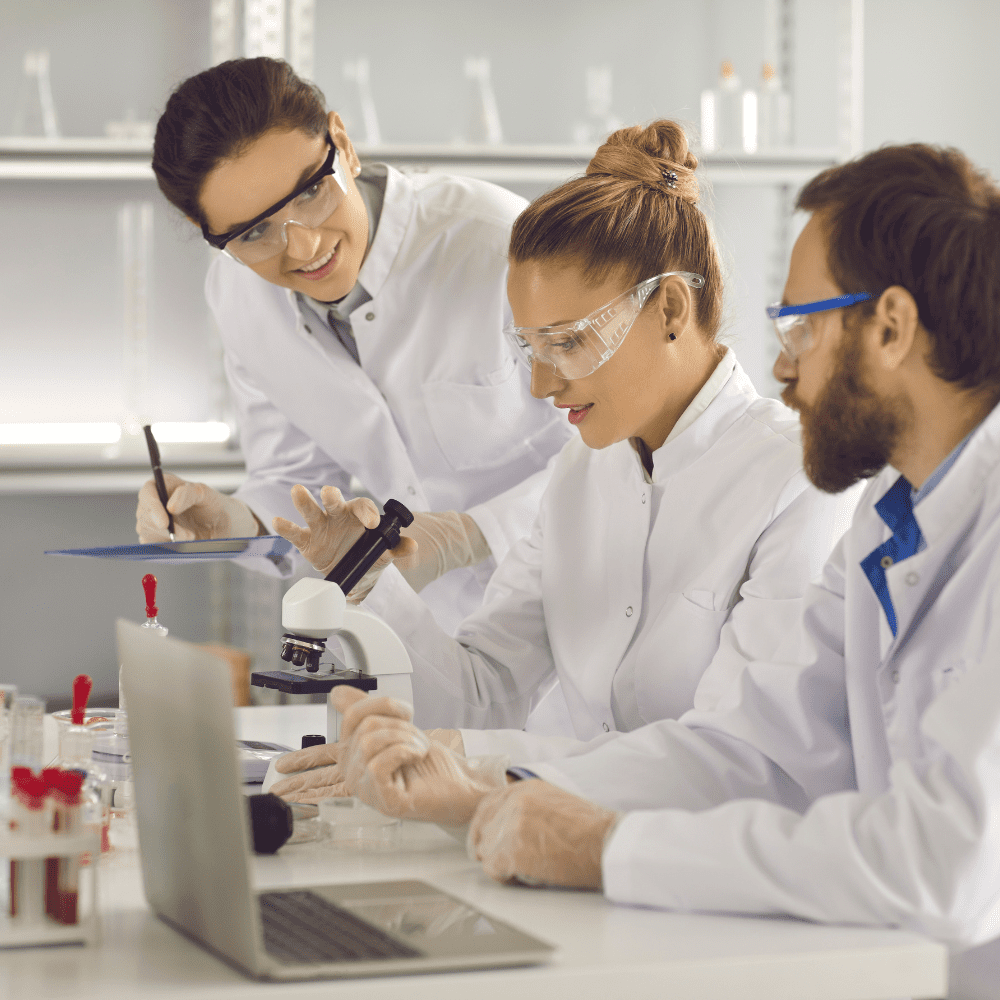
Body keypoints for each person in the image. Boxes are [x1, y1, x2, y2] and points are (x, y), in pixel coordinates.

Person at [330, 142, 1000, 999]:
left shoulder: (856, 502)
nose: (785, 369)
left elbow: (942, 864)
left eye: (801, 326)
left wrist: (607, 848)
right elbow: (742, 746)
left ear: (892, 326)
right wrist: (485, 781)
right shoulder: (890, 517)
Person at [269, 120, 861, 803]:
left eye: (568, 343)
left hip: (718, 883)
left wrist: (482, 768)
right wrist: (370, 581)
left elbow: (742, 759)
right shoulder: (581, 474)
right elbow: (483, 695)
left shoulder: (799, 480)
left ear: (670, 306)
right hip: (570, 856)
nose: (541, 387)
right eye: (529, 349)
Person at [135, 57, 572, 635]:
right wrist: (232, 522)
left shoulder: (498, 245)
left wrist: (476, 532)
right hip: (440, 639)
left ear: (341, 141)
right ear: (210, 234)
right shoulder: (240, 296)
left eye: (312, 192)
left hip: (577, 611)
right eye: (255, 233)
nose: (305, 246)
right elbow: (298, 479)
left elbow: (622, 453)